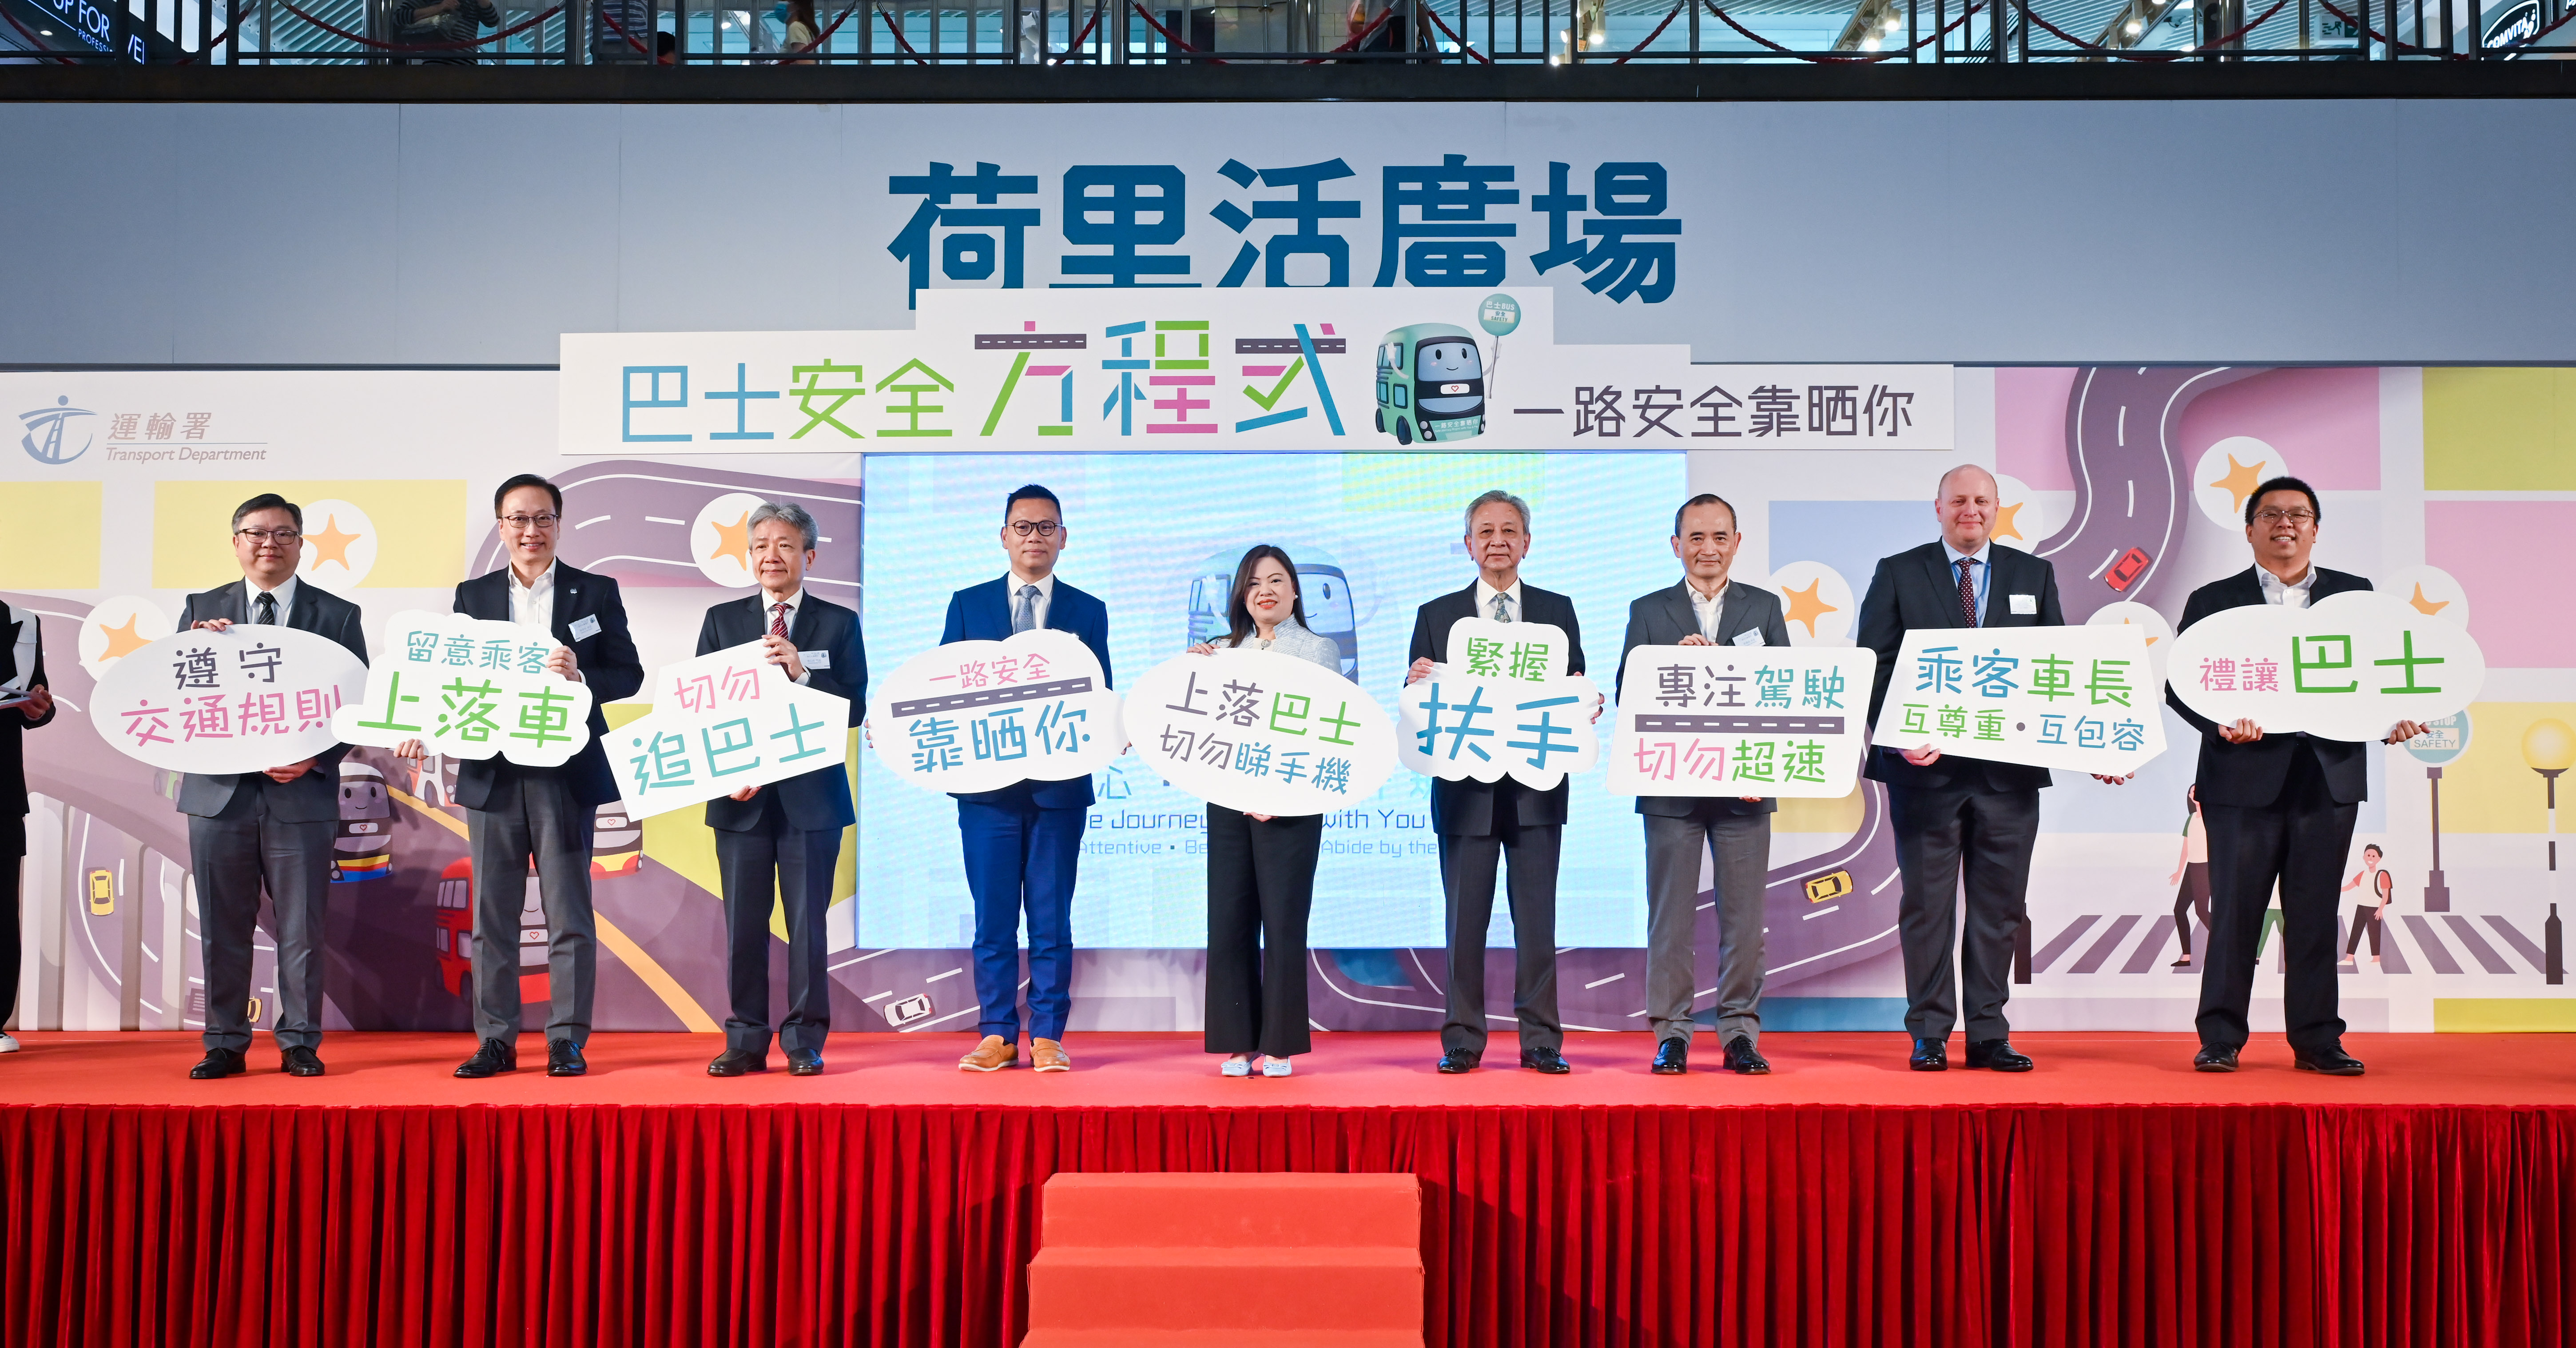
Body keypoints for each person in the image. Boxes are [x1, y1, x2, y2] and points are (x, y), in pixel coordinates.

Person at [2171, 476, 2427, 1077]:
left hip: (2327, 778)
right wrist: (2220, 726)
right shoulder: (2213, 600)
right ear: (2249, 529)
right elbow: (2180, 686)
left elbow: (2382, 678)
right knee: (2234, 913)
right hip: (2241, 779)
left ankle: (2317, 1040)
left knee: (2314, 914)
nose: (2285, 523)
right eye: (2271, 514)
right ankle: (2221, 1037)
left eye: (2298, 514)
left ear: (2315, 528)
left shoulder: (2356, 596)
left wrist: (2395, 717)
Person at [1856, 464, 2075, 1074]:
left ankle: (1987, 1032)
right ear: (1939, 508)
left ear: (1997, 508)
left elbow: (2059, 667)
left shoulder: (2034, 574)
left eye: (1981, 500)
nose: (1969, 510)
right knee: (1927, 907)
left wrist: (2096, 746)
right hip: (1925, 773)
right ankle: (1929, 1032)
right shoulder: (1899, 571)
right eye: (1958, 500)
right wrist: (1899, 735)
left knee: (1999, 907)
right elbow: (1874, 665)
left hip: (2009, 774)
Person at [445, 474, 644, 1079]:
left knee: (568, 913)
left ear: (559, 523)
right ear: (501, 527)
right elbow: (448, 678)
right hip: (494, 772)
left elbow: (628, 674)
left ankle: (566, 1039)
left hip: (565, 772)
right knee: (493, 917)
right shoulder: (473, 595)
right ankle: (495, 1040)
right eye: (518, 519)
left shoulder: (595, 591)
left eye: (542, 518)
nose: (530, 530)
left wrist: (582, 676)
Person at [176, 494, 369, 1079]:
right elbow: (176, 698)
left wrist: (315, 758)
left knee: (301, 926)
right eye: (257, 533)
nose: (270, 543)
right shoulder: (202, 609)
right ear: (236, 542)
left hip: (300, 794)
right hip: (219, 795)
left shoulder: (337, 614)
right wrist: (197, 650)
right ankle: (224, 1041)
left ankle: (300, 1041)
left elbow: (357, 707)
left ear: (301, 544)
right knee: (222, 925)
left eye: (284, 533)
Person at [1406, 489, 1592, 1076]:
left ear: (1527, 543)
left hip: (1537, 790)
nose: (1497, 541)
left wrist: (1586, 702)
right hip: (1466, 794)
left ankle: (1541, 1040)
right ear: (1468, 545)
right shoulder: (1437, 615)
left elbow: (1576, 684)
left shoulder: (1557, 611)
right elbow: (1419, 704)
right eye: (1485, 531)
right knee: (1464, 923)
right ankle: (1462, 1039)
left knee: (1536, 922)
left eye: (1509, 530)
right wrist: (1415, 684)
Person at [1615, 493, 1787, 1076]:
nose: (1707, 548)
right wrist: (1673, 664)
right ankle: (1672, 1032)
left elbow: (1785, 694)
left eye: (1719, 537)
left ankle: (1739, 1031)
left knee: (1745, 920)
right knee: (1670, 919)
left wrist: (1761, 767)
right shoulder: (1649, 610)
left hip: (1744, 789)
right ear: (1676, 545)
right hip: (1671, 788)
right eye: (1695, 537)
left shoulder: (1764, 607)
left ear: (1736, 543)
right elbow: (1628, 694)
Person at [945, 485, 1111, 1073]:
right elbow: (941, 687)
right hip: (985, 791)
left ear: (1064, 537)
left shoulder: (1088, 609)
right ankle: (996, 1032)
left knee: (1050, 919)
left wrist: (1116, 725)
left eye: (1046, 527)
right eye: (1023, 526)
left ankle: (1046, 1035)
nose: (1034, 537)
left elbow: (1100, 692)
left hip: (1058, 791)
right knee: (992, 919)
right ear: (1004, 536)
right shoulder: (967, 604)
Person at [697, 502, 866, 1078]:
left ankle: (803, 1040)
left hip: (811, 800)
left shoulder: (839, 623)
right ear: (750, 556)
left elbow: (855, 708)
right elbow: (699, 712)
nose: (772, 555)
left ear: (809, 557)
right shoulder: (722, 620)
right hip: (740, 798)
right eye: (761, 545)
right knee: (744, 926)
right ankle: (745, 1039)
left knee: (808, 926)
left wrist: (803, 673)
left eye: (786, 545)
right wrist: (724, 772)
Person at [1188, 545, 1343, 1079]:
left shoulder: (1318, 650)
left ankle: (1278, 1042)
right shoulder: (1222, 651)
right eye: (1254, 583)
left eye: (1276, 580)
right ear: (1241, 596)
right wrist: (1192, 674)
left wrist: (1282, 794)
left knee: (1282, 922)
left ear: (1295, 591)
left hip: (1291, 804)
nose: (1265, 591)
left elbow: (1332, 730)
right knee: (1229, 921)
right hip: (1230, 800)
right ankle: (1236, 1042)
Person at [0, 601, 56, 1055]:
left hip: (1, 792)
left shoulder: (20, 621)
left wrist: (39, 708)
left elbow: (33, 698)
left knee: (1, 910)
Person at [2168, 786, 2212, 969]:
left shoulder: (2211, 819)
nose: (2196, 793)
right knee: (2179, 910)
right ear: (2189, 795)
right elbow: (2186, 847)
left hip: (2205, 868)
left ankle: (2228, 944)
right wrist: (2180, 871)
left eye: (2199, 790)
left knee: (2201, 911)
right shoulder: (2191, 819)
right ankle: (2186, 957)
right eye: (2193, 791)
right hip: (2191, 869)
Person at [390, 0, 499, 65]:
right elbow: (399, 16)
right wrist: (440, 7)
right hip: (437, 63)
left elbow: (493, 20)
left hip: (467, 64)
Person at [2339, 844, 2393, 968]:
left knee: (2375, 933)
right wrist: (2336, 889)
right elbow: (2349, 886)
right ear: (2364, 857)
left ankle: (2376, 959)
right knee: (2356, 932)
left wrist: (2380, 909)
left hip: (2374, 908)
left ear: (2379, 859)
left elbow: (2385, 895)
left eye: (2374, 856)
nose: (2370, 858)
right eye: (2368, 855)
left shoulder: (2382, 875)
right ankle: (2349, 958)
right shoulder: (2363, 874)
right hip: (2362, 907)